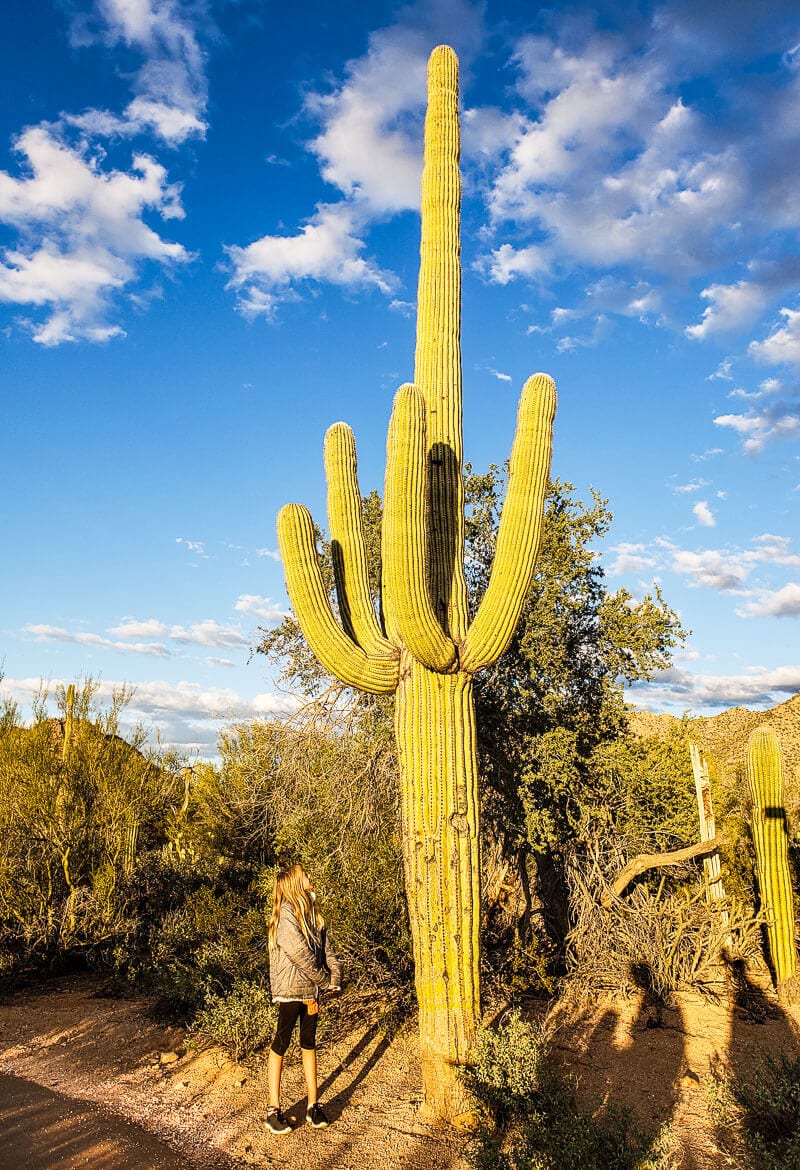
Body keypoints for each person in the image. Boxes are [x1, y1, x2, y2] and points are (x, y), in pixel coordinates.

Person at [264, 863, 342, 1135]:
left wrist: (336, 976)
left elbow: (326, 949)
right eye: (305, 875)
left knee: (309, 1042)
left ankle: (313, 1104)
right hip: (290, 991)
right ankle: (273, 1109)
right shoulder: (286, 914)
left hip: (311, 990)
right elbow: (300, 955)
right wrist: (324, 980)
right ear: (296, 883)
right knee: (281, 1042)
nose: (310, 877)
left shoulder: (313, 914)